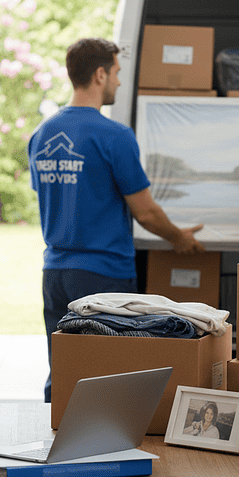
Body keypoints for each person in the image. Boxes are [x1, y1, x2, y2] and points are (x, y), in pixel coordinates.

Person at [28, 37, 205, 402]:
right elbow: (146, 211)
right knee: (108, 379)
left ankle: (53, 447)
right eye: (117, 73)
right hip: (103, 275)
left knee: (63, 371)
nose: (119, 82)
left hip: (56, 273)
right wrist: (179, 238)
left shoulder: (42, 135)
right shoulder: (114, 135)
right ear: (99, 74)